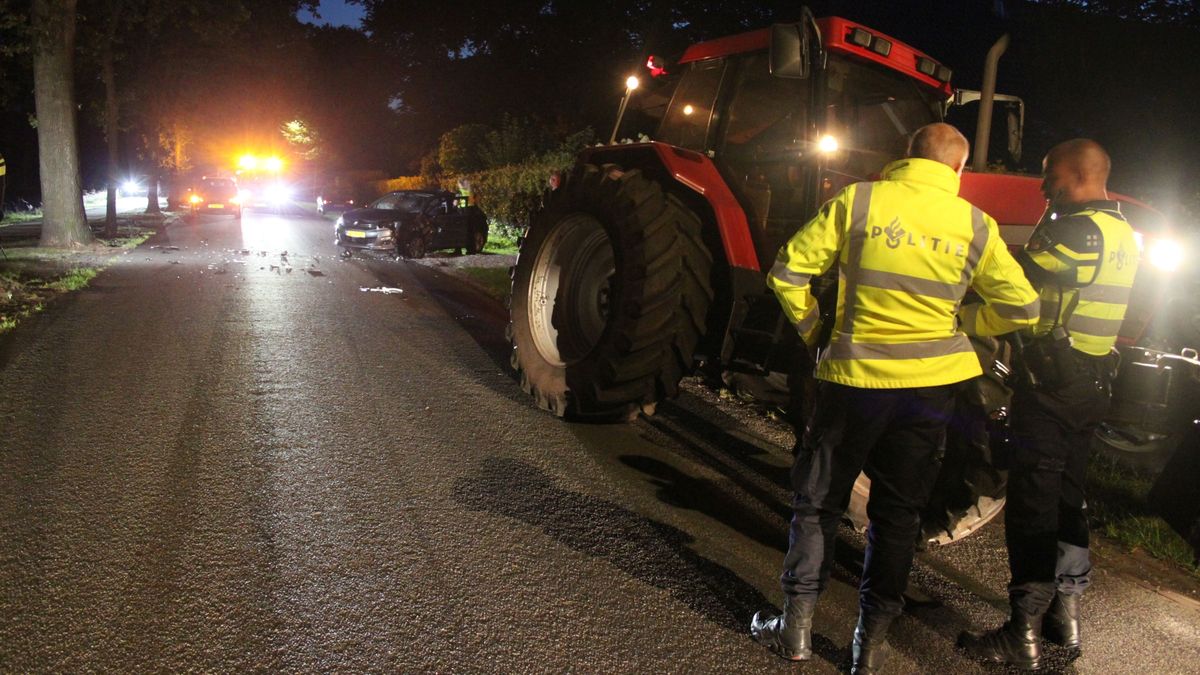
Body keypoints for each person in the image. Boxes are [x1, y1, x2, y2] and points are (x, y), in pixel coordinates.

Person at [752, 123, 1040, 673]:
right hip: (929, 392)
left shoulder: (859, 200)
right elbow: (1025, 309)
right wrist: (967, 321)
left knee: (818, 504)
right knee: (898, 516)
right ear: (957, 170)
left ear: (904, 157)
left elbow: (787, 273)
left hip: (852, 382)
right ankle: (869, 651)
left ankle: (795, 632)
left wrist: (816, 332)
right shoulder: (976, 224)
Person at [959, 139, 1139, 669]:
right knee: (1068, 500)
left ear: (1079, 174)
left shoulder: (1073, 232)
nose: (1042, 185)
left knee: (1034, 506)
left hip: (1055, 387)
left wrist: (961, 319)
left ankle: (1022, 633)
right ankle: (1065, 618)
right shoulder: (1121, 233)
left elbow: (1017, 296)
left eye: (1050, 175)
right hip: (1093, 382)